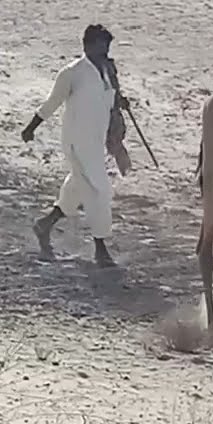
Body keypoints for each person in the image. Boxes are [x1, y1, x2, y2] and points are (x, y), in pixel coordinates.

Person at [21, 24, 132, 267]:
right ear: (88, 46)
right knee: (99, 190)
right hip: (76, 144)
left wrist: (119, 100)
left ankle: (45, 224)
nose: (106, 52)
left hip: (95, 144)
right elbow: (51, 103)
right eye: (102, 47)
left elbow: (107, 99)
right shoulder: (72, 73)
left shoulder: (106, 72)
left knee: (77, 189)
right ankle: (100, 248)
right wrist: (31, 128)